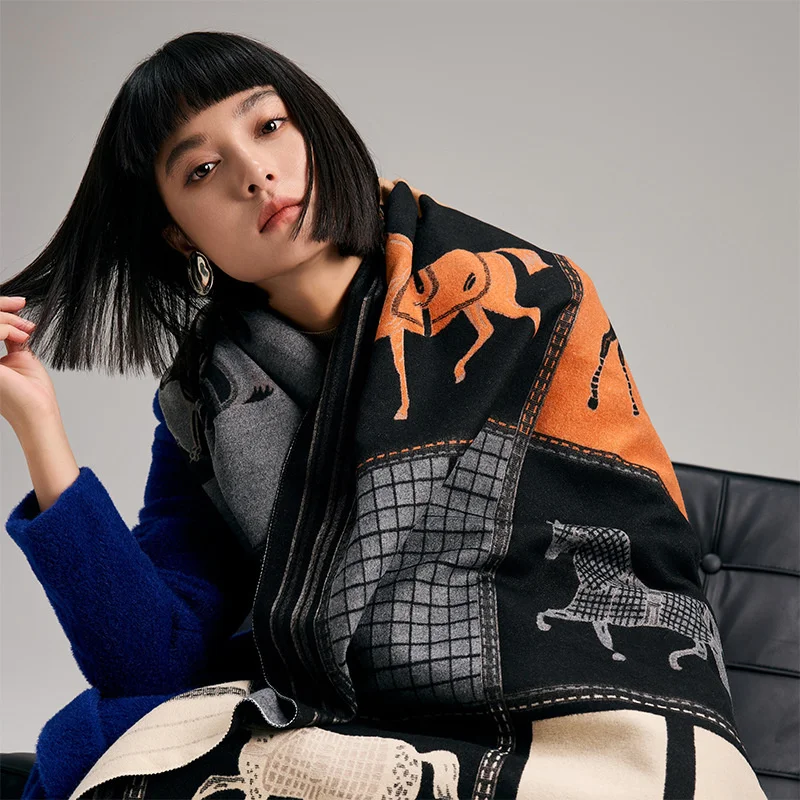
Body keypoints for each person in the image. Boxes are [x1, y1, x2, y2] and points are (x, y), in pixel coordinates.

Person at [0, 30, 767, 800]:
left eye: (269, 126)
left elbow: (620, 559)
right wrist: (39, 428)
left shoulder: (531, 302)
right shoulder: (209, 404)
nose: (254, 173)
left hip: (592, 730)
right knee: (99, 739)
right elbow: (151, 662)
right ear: (178, 233)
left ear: (314, 128)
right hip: (349, 728)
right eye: (202, 170)